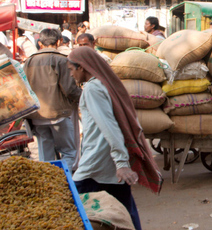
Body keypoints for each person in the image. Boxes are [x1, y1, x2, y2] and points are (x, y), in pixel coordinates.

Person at [67, 47, 163, 230]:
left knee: (78, 206)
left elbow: (109, 126)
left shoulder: (93, 89)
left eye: (71, 69)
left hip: (97, 161)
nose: (71, 75)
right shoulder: (105, 84)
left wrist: (121, 162)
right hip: (107, 161)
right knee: (124, 208)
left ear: (82, 67)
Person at [23, 29, 82, 171]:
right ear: (59, 41)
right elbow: (69, 89)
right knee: (69, 152)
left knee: (45, 156)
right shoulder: (61, 60)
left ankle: (48, 182)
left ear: (40, 43)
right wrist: (83, 98)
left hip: (37, 115)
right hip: (58, 115)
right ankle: (60, 179)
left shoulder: (29, 61)